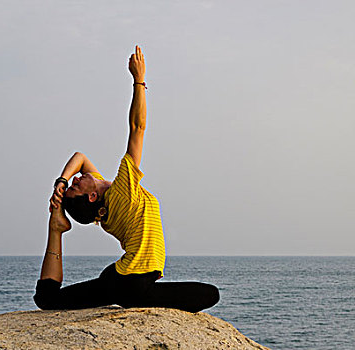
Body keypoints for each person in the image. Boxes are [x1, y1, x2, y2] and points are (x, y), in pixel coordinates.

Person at [33, 46, 219, 313]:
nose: (77, 178)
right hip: (130, 282)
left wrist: (61, 183)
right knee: (208, 295)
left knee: (50, 301)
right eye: (76, 185)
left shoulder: (106, 203)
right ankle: (56, 228)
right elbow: (137, 128)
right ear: (92, 195)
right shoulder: (122, 190)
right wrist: (139, 80)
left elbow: (80, 157)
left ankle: (57, 229)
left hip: (124, 280)